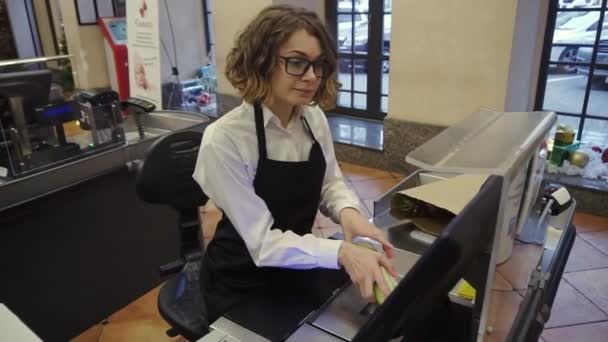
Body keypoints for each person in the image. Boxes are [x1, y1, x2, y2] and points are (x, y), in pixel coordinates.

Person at [193, 4, 396, 323]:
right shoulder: (225, 139)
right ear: (261, 61)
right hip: (240, 283)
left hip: (298, 267)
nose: (312, 76)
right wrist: (342, 252)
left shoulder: (313, 118)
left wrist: (349, 213)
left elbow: (330, 183)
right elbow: (262, 244)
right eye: (297, 63)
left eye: (319, 64)